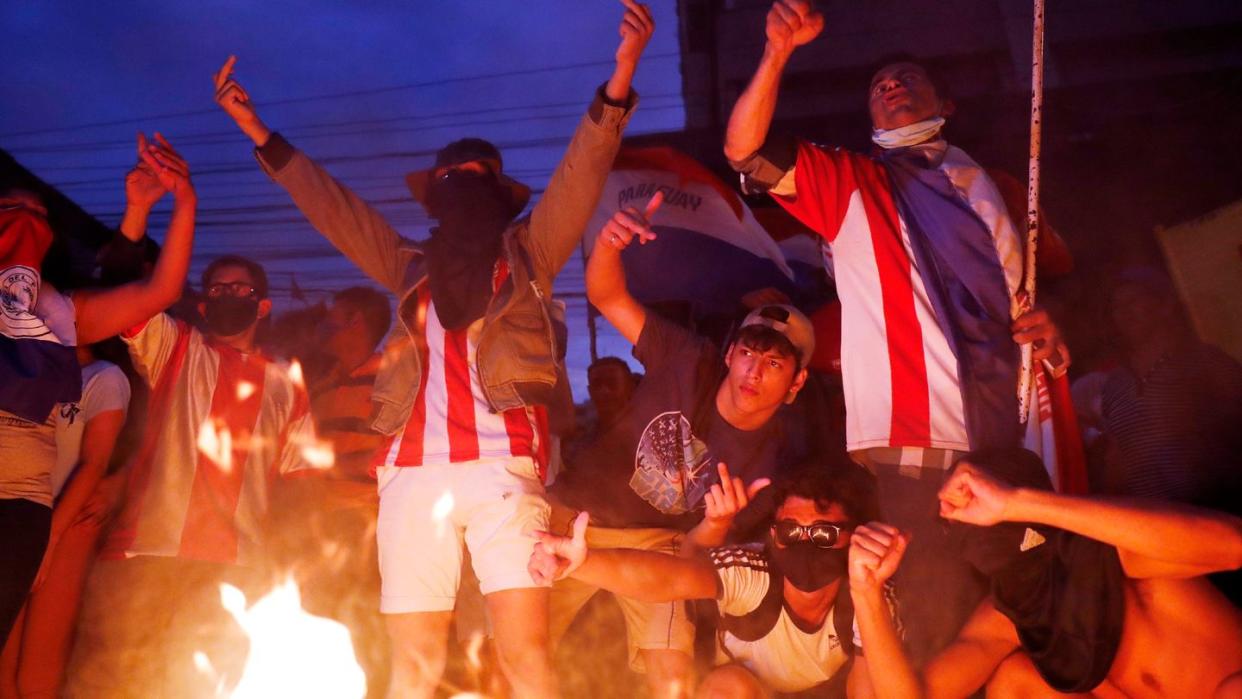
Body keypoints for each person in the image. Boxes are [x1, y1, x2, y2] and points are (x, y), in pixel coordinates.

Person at [212, 4, 655, 695]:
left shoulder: (529, 254)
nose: (463, 193)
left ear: (499, 198)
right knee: (412, 668)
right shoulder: (409, 266)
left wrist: (621, 74)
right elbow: (336, 210)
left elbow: (580, 174)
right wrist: (258, 133)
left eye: (476, 180)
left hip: (504, 471)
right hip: (410, 473)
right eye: (452, 182)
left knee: (524, 658)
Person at [723, 0, 1072, 662]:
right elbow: (744, 147)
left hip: (1003, 453)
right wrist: (776, 53)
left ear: (946, 100)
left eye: (908, 75)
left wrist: (1052, 333)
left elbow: (1028, 310)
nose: (891, 84)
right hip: (905, 469)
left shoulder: (992, 189)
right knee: (911, 645)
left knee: (1018, 643)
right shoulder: (853, 183)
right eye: (878, 84)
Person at [545, 189, 815, 696]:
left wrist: (717, 525)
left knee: (674, 677)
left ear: (796, 384)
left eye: (775, 364)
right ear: (732, 352)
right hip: (575, 512)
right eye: (750, 353)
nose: (755, 372)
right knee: (514, 648)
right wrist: (608, 244)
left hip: (660, 546)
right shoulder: (687, 357)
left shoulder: (775, 465)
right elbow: (608, 297)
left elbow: (698, 557)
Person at [64, 250, 323, 698]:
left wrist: (296, 567)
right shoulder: (176, 346)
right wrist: (141, 215)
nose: (227, 295)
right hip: (145, 553)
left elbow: (301, 487)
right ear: (202, 306)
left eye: (240, 288)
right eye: (217, 289)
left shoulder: (288, 385)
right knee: (111, 682)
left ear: (263, 306)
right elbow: (133, 304)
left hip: (236, 570)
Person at [0, 133, 195, 644]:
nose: (25, 218)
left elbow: (158, 290)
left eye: (39, 215)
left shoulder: (59, 310)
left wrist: (183, 200)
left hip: (19, 508)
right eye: (10, 208)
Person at [848, 448, 1242, 698]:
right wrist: (866, 592)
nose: (979, 518)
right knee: (1013, 681)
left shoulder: (1119, 555)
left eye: (981, 502)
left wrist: (1017, 504)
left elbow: (1233, 544)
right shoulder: (1007, 616)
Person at [531, 463, 890, 698]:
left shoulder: (866, 596)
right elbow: (670, 578)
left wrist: (869, 594)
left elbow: (868, 691)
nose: (803, 543)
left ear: (853, 538)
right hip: (731, 687)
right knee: (728, 688)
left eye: (824, 534)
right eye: (791, 529)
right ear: (774, 533)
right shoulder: (754, 573)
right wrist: (583, 563)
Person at [1, 342, 130, 699]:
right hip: (16, 521)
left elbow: (95, 461)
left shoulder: (102, 377)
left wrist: (52, 537)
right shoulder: (19, 370)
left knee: (35, 676)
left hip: (65, 525)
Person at [1096, 267, 1242, 509]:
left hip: (1216, 516)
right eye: (1117, 307)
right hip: (1157, 529)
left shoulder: (1205, 363)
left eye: (1134, 301)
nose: (1124, 312)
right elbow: (1117, 454)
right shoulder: (1115, 384)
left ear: (1165, 307)